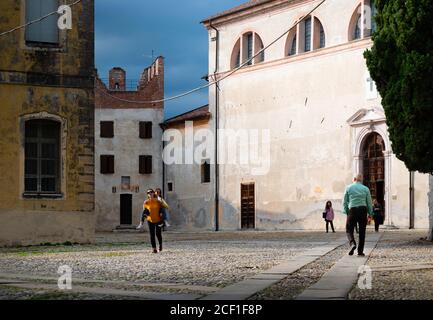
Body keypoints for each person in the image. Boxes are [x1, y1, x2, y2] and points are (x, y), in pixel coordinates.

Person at [343, 174, 373, 257]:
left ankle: (352, 243)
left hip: (352, 209)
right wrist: (370, 213)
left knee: (349, 229)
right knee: (362, 231)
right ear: (361, 180)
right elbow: (369, 202)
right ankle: (360, 251)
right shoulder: (365, 189)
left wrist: (346, 211)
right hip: (363, 210)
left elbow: (344, 201)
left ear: (354, 179)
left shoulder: (348, 188)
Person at [143, 189, 164, 253]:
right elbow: (145, 210)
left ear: (153, 193)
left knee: (158, 233)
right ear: (147, 195)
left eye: (151, 192)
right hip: (150, 220)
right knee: (152, 234)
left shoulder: (158, 201)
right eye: (148, 193)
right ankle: (154, 248)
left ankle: (160, 244)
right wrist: (145, 215)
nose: (150, 194)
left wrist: (161, 214)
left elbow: (161, 209)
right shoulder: (146, 202)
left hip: (158, 219)